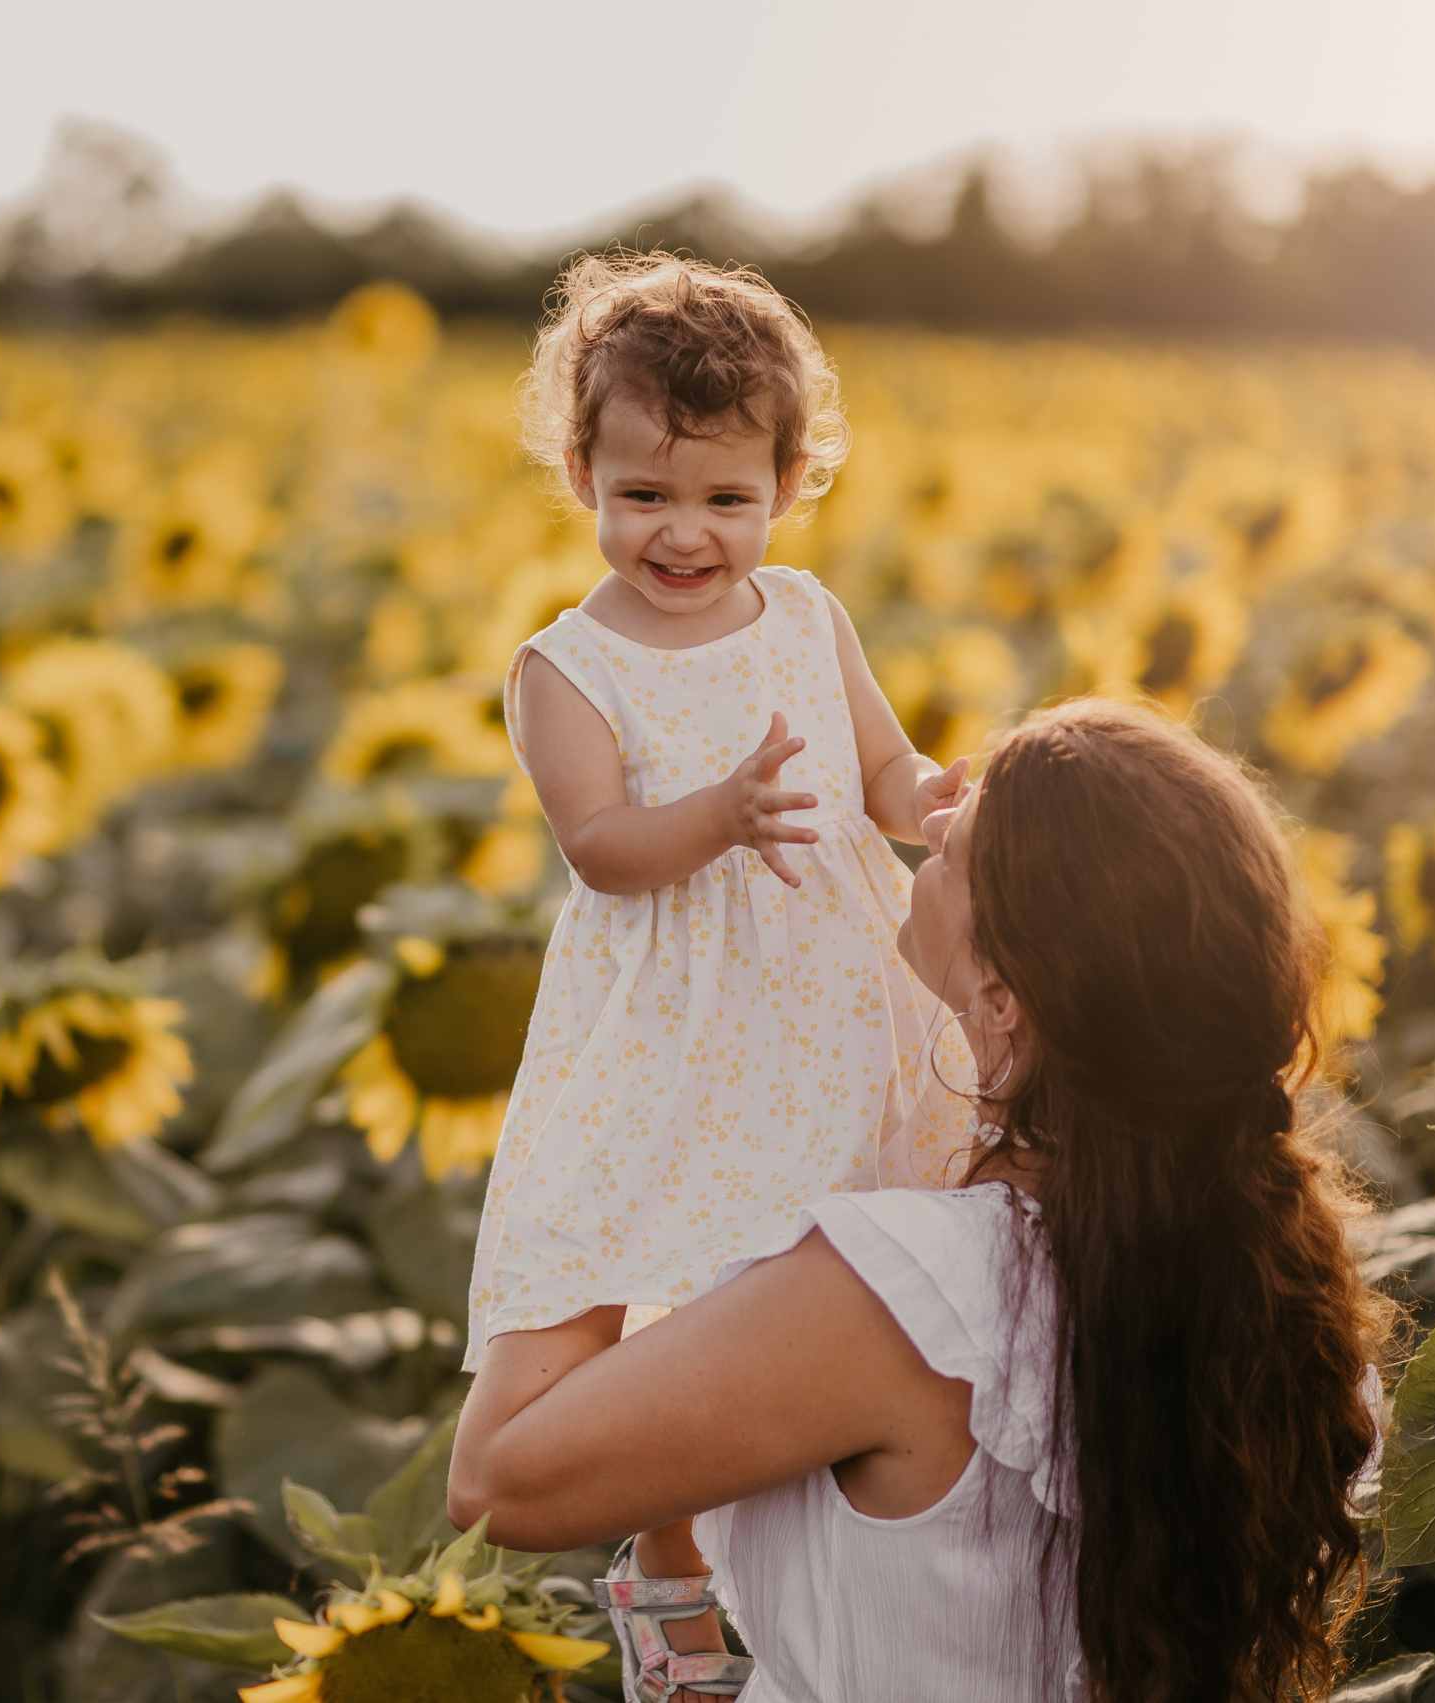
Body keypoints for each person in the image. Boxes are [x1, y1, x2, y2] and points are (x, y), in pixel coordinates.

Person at [450, 698, 1392, 1703]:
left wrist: (605, 1106)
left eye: (967, 841)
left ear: (999, 998)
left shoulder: (907, 1294)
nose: (932, 819)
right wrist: (670, 1553)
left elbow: (496, 1479)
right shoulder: (1294, 1305)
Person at [469, 251, 975, 1700]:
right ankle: (671, 1561)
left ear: (791, 480)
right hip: (678, 1024)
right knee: (680, 1285)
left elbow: (881, 766)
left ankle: (832, 1550)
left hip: (833, 996)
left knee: (838, 1259)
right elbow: (605, 846)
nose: (682, 534)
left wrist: (940, 799)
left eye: (723, 499)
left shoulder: (809, 615)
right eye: (644, 496)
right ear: (581, 473)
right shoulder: (565, 666)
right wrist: (724, 817)